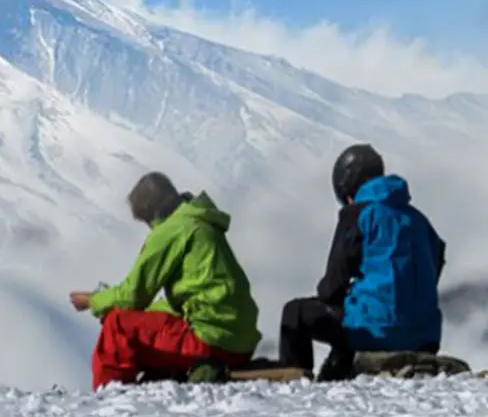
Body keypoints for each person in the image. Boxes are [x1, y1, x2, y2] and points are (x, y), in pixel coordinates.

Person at [69, 171, 262, 390]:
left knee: (118, 325)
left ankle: (108, 403)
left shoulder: (171, 230)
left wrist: (94, 300)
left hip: (211, 340)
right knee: (146, 317)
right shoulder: (197, 219)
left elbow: (134, 296)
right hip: (239, 340)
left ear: (151, 213)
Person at [278, 143, 446, 380]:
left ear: (349, 188)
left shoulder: (359, 213)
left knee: (295, 313)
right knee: (356, 311)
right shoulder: (419, 220)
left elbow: (332, 284)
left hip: (375, 331)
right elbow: (434, 265)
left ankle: (295, 387)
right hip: (426, 337)